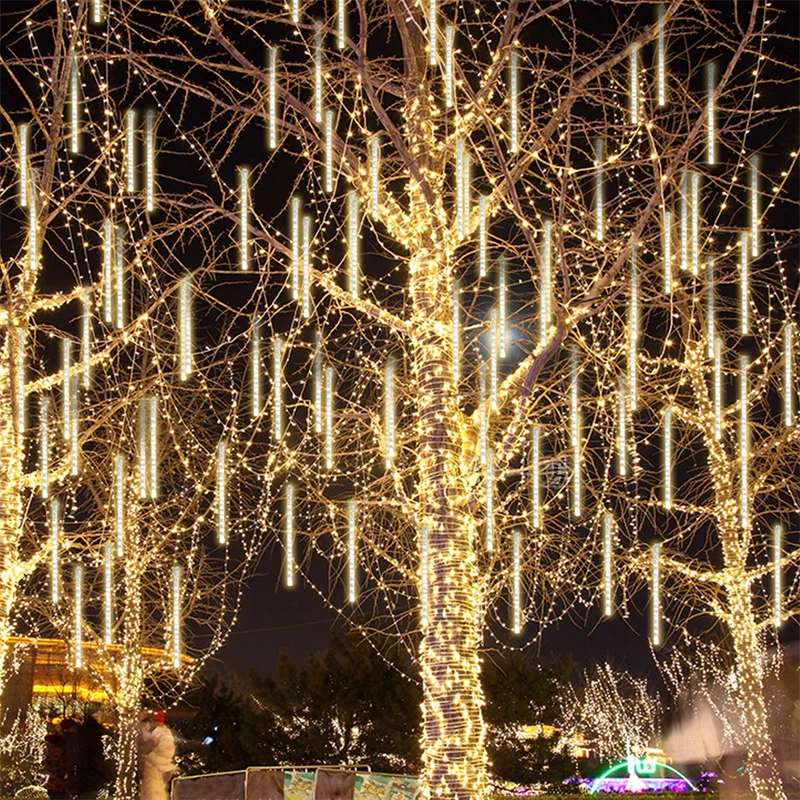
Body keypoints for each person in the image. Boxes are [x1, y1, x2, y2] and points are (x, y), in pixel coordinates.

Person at [139, 710, 176, 800]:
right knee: (157, 789)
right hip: (162, 766)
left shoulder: (159, 732)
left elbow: (151, 743)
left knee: (153, 790)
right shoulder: (166, 732)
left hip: (156, 766)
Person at [43, 721, 68, 799]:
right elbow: (58, 764)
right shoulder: (58, 749)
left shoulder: (51, 748)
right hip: (58, 784)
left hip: (55, 783)